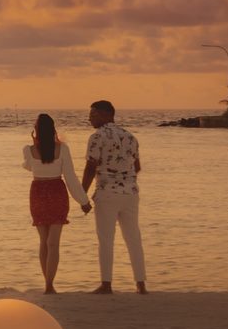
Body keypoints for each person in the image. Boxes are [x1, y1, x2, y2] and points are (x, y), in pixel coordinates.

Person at [80, 100, 147, 294]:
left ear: (107, 115)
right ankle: (141, 284)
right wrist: (124, 178)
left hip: (107, 193)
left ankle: (106, 284)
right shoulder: (130, 136)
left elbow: (90, 167)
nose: (90, 119)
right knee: (133, 238)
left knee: (106, 239)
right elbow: (137, 167)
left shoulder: (97, 137)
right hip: (131, 193)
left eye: (93, 115)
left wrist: (82, 194)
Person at [21, 112, 91, 293]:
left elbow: (29, 166)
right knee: (52, 242)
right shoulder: (62, 148)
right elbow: (71, 178)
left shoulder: (28, 150)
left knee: (45, 242)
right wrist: (83, 200)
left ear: (36, 130)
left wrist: (83, 200)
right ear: (53, 130)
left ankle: (48, 284)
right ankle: (49, 284)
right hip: (56, 191)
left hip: (38, 192)